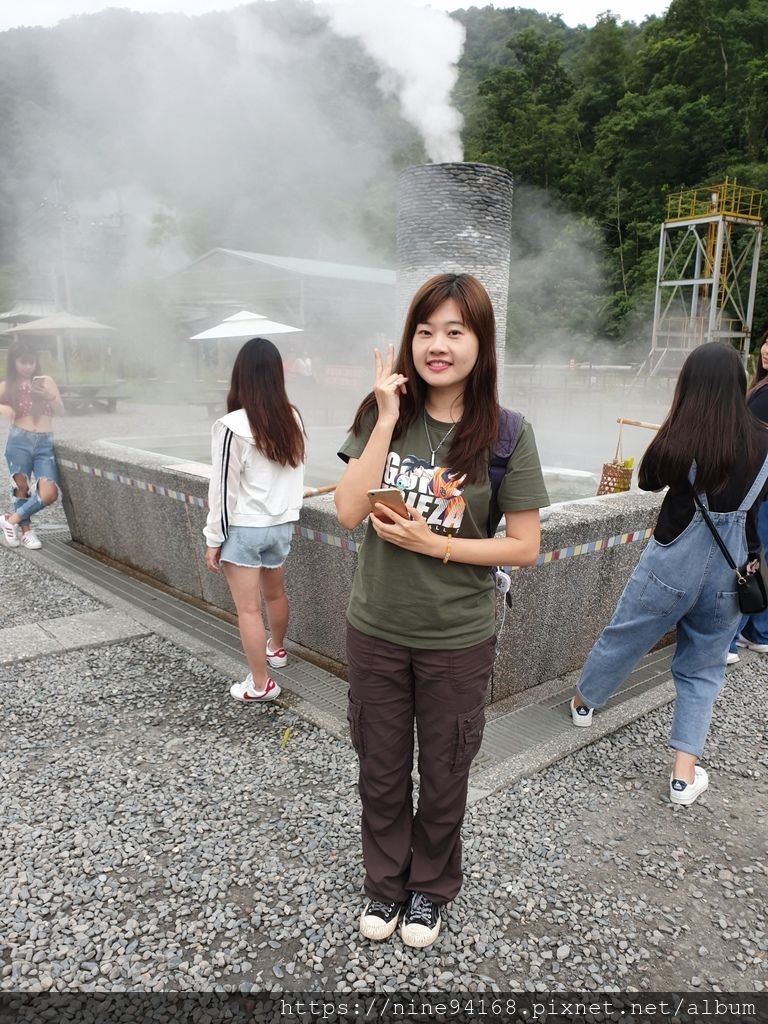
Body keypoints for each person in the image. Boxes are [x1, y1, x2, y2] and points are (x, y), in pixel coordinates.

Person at [335, 273, 549, 948]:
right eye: (426, 330)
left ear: (481, 344)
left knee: (447, 770)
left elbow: (525, 546)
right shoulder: (381, 413)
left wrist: (437, 543)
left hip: (457, 637)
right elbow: (345, 512)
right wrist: (387, 421)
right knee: (381, 766)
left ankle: (430, 888)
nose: (438, 344)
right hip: (376, 628)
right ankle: (385, 884)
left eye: (456, 331)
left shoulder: (508, 433)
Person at [571, 342, 768, 806]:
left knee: (624, 637)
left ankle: (584, 705)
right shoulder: (764, 438)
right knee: (702, 669)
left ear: (688, 387)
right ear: (738, 384)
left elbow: (647, 482)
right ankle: (683, 777)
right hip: (728, 572)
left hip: (668, 567)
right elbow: (756, 507)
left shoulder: (682, 435)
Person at [203, 337, 305, 704]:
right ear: (278, 375)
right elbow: (295, 474)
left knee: (248, 609)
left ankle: (261, 685)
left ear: (240, 376)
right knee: (275, 593)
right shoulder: (291, 417)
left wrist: (214, 539)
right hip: (280, 526)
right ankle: (277, 649)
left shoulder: (231, 426)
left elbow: (223, 491)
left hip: (245, 529)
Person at [0, 340, 65, 549]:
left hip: (44, 443)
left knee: (49, 493)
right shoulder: (6, 385)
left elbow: (61, 410)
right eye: (23, 362)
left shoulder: (46, 381)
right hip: (19, 441)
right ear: (14, 363)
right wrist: (3, 409)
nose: (28, 366)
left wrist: (49, 395)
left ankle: (10, 520)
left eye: (31, 362)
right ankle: (27, 532)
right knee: (21, 488)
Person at [728, 328, 768, 663]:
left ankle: (725, 644)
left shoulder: (764, 394)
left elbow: (748, 446)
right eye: (767, 341)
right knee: (762, 559)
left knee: (748, 560)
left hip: (761, 493)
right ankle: (759, 633)